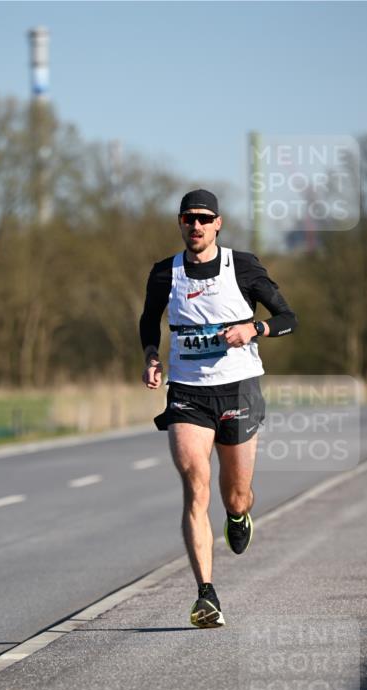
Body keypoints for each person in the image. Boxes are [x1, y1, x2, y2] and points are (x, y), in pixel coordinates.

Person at [140, 189, 297, 628]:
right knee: (195, 483)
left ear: (218, 223)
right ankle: (206, 595)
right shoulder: (164, 273)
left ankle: (238, 513)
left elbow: (289, 317)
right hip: (188, 392)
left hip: (239, 390)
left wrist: (255, 328)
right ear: (180, 222)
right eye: (189, 218)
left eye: (204, 219)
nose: (196, 226)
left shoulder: (241, 266)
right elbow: (149, 319)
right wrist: (151, 354)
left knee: (235, 492)